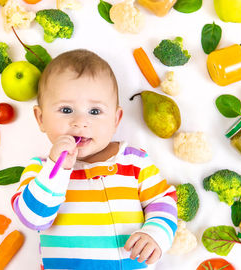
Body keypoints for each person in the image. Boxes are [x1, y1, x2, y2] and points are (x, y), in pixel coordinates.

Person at [11, 49, 177, 270]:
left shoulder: (135, 163)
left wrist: (155, 234)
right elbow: (33, 219)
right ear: (41, 119)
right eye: (66, 109)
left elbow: (162, 201)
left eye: (95, 111)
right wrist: (57, 168)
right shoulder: (41, 169)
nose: (80, 122)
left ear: (116, 119)